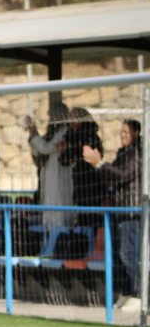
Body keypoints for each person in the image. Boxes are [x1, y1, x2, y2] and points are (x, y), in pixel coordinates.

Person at [83, 119, 142, 310]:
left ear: (136, 133)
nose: (122, 134)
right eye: (122, 131)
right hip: (118, 209)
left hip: (131, 212)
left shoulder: (138, 152)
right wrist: (98, 166)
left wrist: (100, 163)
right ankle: (126, 291)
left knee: (129, 254)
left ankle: (140, 294)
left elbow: (123, 174)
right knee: (117, 255)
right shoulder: (123, 151)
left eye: (126, 131)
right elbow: (110, 174)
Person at [25, 103, 73, 228]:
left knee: (59, 213)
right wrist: (32, 136)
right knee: (48, 212)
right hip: (48, 178)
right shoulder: (52, 133)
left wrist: (33, 131)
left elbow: (46, 148)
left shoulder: (64, 132)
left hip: (59, 178)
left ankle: (60, 240)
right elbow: (38, 152)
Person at [58, 107, 105, 227]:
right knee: (81, 220)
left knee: (92, 220)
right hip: (79, 186)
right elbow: (64, 160)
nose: (71, 120)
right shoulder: (70, 136)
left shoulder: (91, 137)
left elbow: (91, 157)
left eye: (75, 117)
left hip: (92, 187)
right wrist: (64, 151)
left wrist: (71, 148)